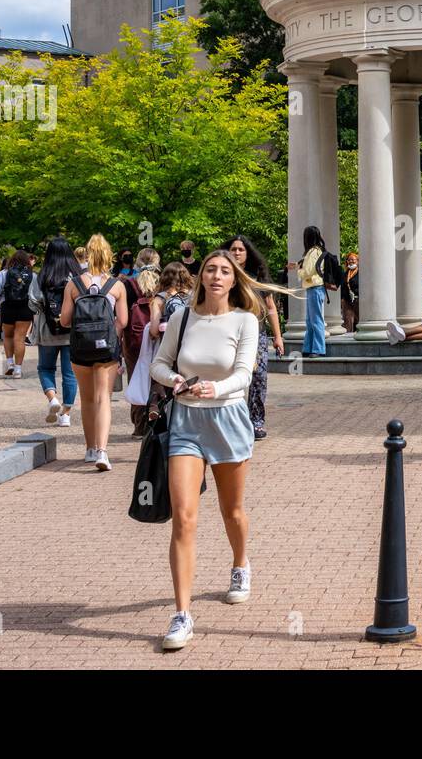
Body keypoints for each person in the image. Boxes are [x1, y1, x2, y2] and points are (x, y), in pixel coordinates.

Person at [149, 249, 262, 651]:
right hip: (186, 424)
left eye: (224, 271)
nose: (216, 276)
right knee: (184, 518)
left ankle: (240, 564)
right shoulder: (182, 318)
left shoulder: (245, 320)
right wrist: (176, 380)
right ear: (201, 277)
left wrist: (217, 387)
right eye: (210, 270)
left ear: (234, 280)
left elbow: (245, 373)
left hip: (228, 421)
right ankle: (182, 615)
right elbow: (157, 365)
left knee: (232, 511)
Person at [59, 234, 128, 471]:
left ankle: (89, 448)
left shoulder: (73, 284)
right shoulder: (117, 285)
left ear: (87, 256)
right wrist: (107, 334)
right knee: (103, 399)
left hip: (80, 348)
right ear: (109, 256)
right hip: (106, 350)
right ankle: (102, 451)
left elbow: (65, 321)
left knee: (87, 399)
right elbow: (123, 321)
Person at [225, 234, 288, 440]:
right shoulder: (223, 275)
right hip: (228, 335)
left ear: (247, 253)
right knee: (229, 377)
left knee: (258, 379)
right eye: (233, 249)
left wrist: (277, 337)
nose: (236, 253)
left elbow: (270, 308)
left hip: (257, 335)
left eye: (240, 249)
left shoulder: (258, 277)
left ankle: (256, 423)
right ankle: (231, 422)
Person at [30, 237, 79, 427]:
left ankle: (52, 399)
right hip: (71, 330)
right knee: (70, 373)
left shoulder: (42, 275)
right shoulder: (76, 276)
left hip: (47, 329)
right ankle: (66, 414)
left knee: (45, 368)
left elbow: (33, 302)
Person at [145, 262, 194, 422]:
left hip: (168, 349)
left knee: (165, 382)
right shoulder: (194, 297)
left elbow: (153, 329)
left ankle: (158, 410)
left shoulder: (160, 298)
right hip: (191, 349)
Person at [122, 248, 162, 435]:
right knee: (159, 378)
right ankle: (157, 419)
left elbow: (122, 316)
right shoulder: (162, 283)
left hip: (134, 339)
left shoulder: (129, 284)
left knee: (136, 378)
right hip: (159, 336)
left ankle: (139, 426)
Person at [0, 250, 35, 377]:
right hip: (25, 308)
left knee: (8, 336)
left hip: (8, 307)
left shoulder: (3, 274)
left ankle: (10, 363)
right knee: (20, 338)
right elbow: (37, 295)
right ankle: (18, 369)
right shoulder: (32, 275)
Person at [287, 226, 327, 358]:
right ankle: (309, 347)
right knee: (310, 321)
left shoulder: (313, 252)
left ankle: (318, 349)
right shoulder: (314, 251)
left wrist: (299, 271)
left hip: (315, 288)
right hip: (313, 288)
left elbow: (308, 271)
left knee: (315, 320)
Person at [339, 252, 359, 333]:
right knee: (347, 321)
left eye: (353, 259)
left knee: (360, 320)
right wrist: (342, 299)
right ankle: (348, 337)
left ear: (357, 261)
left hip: (358, 300)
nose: (351, 261)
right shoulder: (345, 273)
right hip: (347, 300)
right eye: (349, 260)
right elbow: (342, 287)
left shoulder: (361, 273)